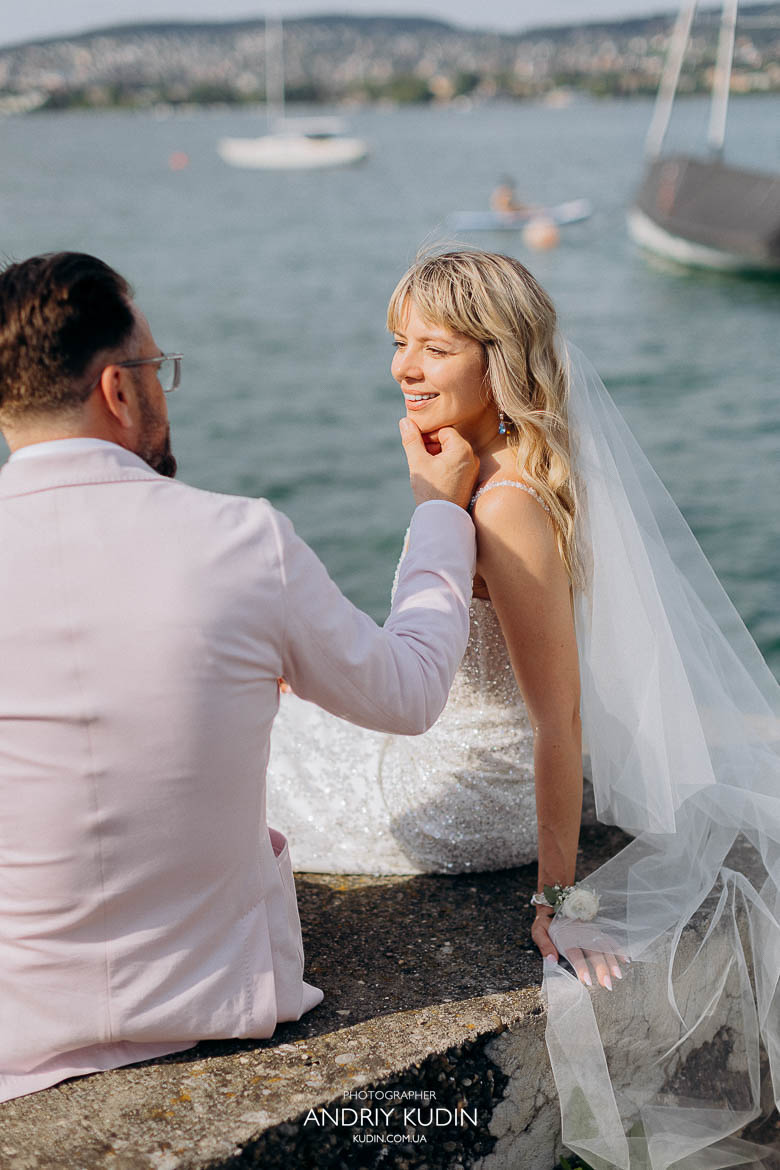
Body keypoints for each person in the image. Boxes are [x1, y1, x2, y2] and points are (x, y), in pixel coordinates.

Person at [267, 249, 780, 1168]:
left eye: (434, 348)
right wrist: (431, 496)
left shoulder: (504, 506)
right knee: (279, 717)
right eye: (398, 343)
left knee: (261, 762)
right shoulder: (503, 470)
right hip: (473, 749)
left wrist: (559, 895)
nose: (405, 368)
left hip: (484, 790)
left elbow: (559, 717)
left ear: (498, 360)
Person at [0, 251, 482, 1103]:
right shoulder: (239, 538)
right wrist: (440, 512)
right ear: (118, 390)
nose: (159, 389)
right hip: (214, 995)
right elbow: (409, 694)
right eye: (157, 370)